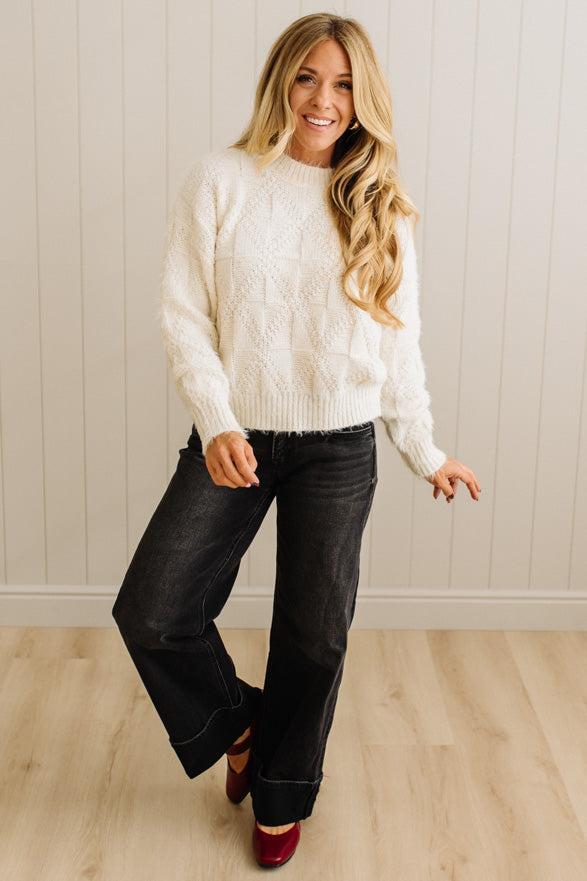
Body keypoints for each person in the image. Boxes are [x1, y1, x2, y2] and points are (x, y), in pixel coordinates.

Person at [112, 11, 481, 869]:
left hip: (339, 445)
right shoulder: (221, 179)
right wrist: (218, 418)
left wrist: (424, 448)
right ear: (281, 79)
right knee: (154, 609)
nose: (323, 97)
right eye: (308, 76)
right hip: (234, 434)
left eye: (344, 83)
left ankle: (280, 793)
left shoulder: (379, 204)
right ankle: (240, 724)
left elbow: (397, 343)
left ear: (364, 100)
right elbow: (182, 313)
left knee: (314, 636)